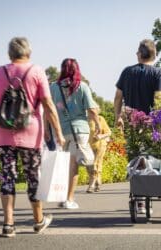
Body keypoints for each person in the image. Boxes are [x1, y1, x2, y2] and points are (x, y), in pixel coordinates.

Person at [0, 37, 65, 237]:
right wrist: (59, 133)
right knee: (32, 176)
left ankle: (8, 224)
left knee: (7, 175)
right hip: (31, 133)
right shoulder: (37, 71)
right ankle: (38, 221)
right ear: (28, 53)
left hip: (3, 133)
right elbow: (48, 104)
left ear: (9, 54)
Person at [114, 39, 161, 214]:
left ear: (139, 53)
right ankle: (145, 201)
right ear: (155, 55)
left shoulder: (127, 72)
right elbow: (159, 97)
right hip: (150, 126)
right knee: (149, 162)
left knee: (135, 161)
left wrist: (118, 117)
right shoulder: (158, 73)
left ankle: (139, 200)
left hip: (131, 125)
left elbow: (118, 97)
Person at [50, 58, 101, 209]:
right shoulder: (82, 86)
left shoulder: (53, 87)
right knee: (74, 165)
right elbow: (92, 110)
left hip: (60, 131)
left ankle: (63, 197)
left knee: (64, 165)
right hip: (79, 130)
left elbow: (48, 109)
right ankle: (69, 199)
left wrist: (47, 130)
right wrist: (98, 124)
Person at [87, 111, 112, 193]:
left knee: (95, 163)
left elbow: (109, 132)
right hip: (88, 146)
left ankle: (92, 184)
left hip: (100, 144)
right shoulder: (85, 119)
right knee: (89, 165)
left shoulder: (101, 119)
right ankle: (98, 181)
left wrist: (101, 136)